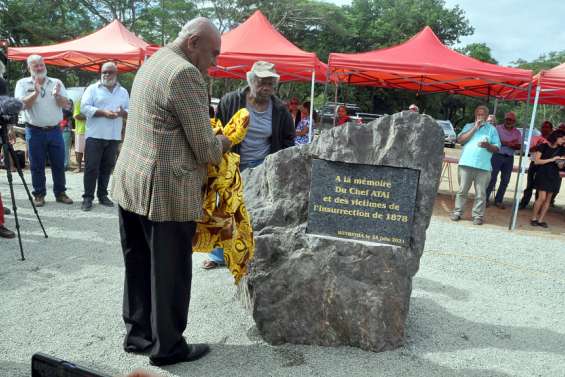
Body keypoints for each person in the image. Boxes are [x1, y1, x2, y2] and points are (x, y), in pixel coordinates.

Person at [111, 17, 231, 367]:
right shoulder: (185, 74)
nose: (215, 62)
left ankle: (139, 336)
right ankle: (169, 348)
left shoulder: (153, 61)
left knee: (138, 264)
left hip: (131, 182)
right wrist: (226, 139)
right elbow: (206, 148)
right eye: (214, 54)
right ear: (193, 42)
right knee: (170, 271)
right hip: (165, 190)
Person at [201, 60, 294, 269]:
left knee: (253, 210)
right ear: (251, 81)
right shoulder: (231, 101)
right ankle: (217, 255)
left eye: (270, 83)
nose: (266, 87)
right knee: (223, 207)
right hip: (233, 161)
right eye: (262, 82)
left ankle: (249, 252)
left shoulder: (279, 109)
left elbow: (289, 138)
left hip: (263, 165)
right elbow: (216, 130)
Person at [14, 54, 73, 207]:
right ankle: (39, 194)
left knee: (59, 164)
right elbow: (21, 105)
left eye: (42, 65)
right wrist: (35, 93)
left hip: (55, 130)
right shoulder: (22, 83)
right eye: (36, 66)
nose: (40, 68)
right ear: (29, 68)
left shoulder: (56, 82)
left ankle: (60, 193)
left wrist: (57, 95)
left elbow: (65, 104)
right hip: (34, 131)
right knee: (36, 165)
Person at [80, 62, 129, 211]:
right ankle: (88, 197)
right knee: (91, 168)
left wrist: (122, 113)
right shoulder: (92, 89)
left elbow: (130, 110)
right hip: (95, 135)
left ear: (116, 73)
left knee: (107, 167)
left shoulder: (123, 92)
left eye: (110, 72)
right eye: (104, 72)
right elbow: (84, 107)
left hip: (113, 136)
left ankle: (102, 195)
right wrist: (103, 112)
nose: (106, 75)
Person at [450, 105, 500, 225]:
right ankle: (458, 212)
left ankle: (478, 216)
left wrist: (488, 145)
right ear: (475, 115)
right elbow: (460, 140)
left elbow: (497, 148)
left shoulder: (492, 130)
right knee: (462, 191)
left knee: (481, 193)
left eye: (483, 114)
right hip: (466, 164)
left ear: (487, 116)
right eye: (478, 114)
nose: (480, 116)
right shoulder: (468, 126)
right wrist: (475, 128)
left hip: (483, 167)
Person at [485, 111, 521, 209]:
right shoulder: (497, 129)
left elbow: (519, 145)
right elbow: (494, 141)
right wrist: (509, 143)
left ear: (514, 121)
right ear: (505, 119)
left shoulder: (517, 132)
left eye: (511, 120)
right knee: (492, 178)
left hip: (509, 158)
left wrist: (508, 143)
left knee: (505, 180)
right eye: (507, 119)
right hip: (497, 156)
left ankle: (499, 200)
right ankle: (485, 199)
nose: (509, 121)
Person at [529, 129, 565, 228]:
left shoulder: (562, 149)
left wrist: (561, 162)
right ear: (556, 137)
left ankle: (540, 220)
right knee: (542, 198)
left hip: (554, 175)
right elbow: (537, 161)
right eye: (562, 139)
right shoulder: (543, 146)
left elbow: (560, 166)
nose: (563, 141)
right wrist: (552, 159)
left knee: (548, 199)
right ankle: (534, 218)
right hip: (543, 174)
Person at [519, 121, 553, 209]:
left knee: (541, 187)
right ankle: (523, 203)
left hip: (545, 165)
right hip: (534, 164)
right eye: (543, 127)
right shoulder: (535, 138)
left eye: (547, 127)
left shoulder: (552, 140)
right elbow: (530, 150)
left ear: (551, 129)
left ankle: (536, 206)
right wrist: (538, 146)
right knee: (529, 185)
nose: (545, 129)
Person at [73, 94, 87, 172]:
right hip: (80, 130)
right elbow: (77, 115)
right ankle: (79, 167)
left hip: (92, 131)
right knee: (79, 150)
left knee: (90, 150)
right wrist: (89, 115)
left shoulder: (93, 102)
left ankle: (87, 166)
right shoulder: (79, 102)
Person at [59, 99, 74, 170]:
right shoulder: (62, 110)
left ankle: (65, 164)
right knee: (60, 149)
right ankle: (62, 163)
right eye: (67, 103)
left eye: (70, 104)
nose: (69, 105)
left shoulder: (69, 112)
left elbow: (66, 114)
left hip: (66, 131)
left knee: (65, 148)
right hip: (59, 130)